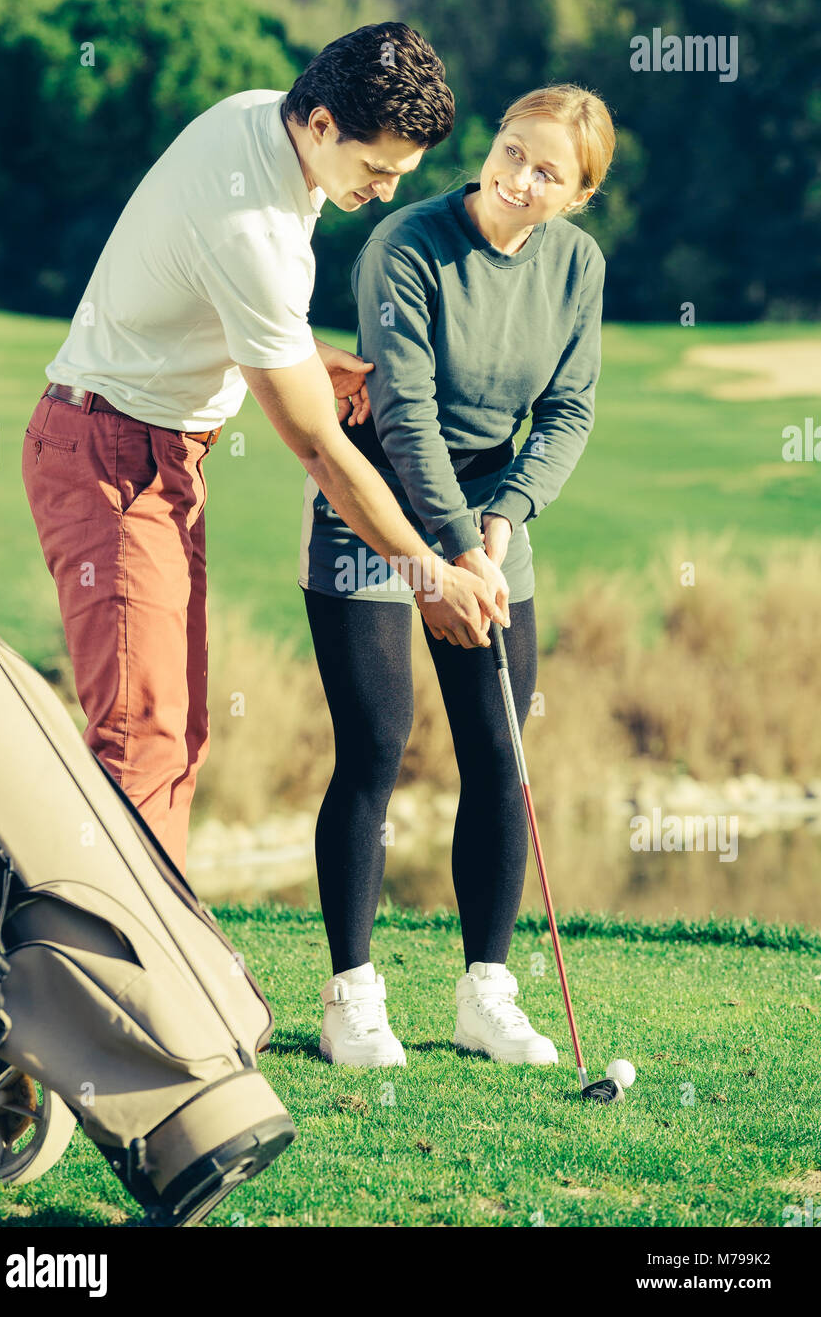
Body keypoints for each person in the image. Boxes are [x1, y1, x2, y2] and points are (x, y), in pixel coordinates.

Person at [22, 22, 508, 874]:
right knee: (143, 736)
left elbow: (199, 289)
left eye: (402, 173)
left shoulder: (257, 118)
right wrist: (427, 575)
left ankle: (150, 958)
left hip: (148, 451)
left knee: (176, 729)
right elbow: (317, 446)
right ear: (321, 123)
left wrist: (297, 351)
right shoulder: (253, 225)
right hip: (112, 459)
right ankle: (120, 980)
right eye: (377, 169)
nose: (388, 192)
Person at [299, 83, 616, 1066]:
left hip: (486, 528)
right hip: (375, 516)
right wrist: (447, 551)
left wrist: (498, 525)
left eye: (548, 170)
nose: (520, 177)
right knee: (377, 744)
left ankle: (486, 992)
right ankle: (350, 997)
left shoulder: (575, 265)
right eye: (513, 151)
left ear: (577, 194)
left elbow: (568, 409)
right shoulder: (406, 243)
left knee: (496, 755)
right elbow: (406, 412)